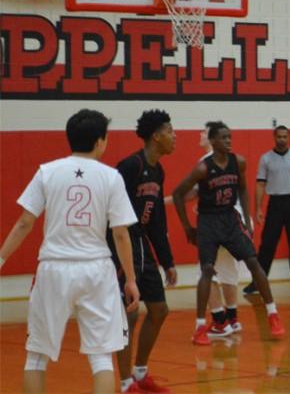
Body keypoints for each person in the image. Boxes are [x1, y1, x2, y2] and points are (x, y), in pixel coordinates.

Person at [0, 109, 139, 394]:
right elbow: (121, 233)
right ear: (101, 140)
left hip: (53, 269)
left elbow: (25, 221)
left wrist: (1, 258)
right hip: (97, 270)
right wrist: (131, 280)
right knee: (101, 357)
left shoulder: (47, 171)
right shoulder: (112, 177)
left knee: (36, 357)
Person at [172, 121, 285, 345]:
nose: (228, 141)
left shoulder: (238, 162)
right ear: (213, 141)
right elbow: (178, 194)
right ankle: (200, 327)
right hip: (208, 222)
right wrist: (187, 227)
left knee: (254, 263)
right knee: (207, 271)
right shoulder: (203, 168)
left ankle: (272, 314)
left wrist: (245, 216)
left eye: (230, 137)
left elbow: (242, 188)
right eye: (224, 138)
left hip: (230, 219)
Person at [111, 110, 178, 393]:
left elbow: (157, 219)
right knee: (130, 312)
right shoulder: (130, 166)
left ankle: (140, 372)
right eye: (171, 132)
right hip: (124, 242)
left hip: (143, 245)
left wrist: (168, 261)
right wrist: (117, 257)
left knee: (160, 309)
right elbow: (111, 214)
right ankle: (126, 383)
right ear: (156, 136)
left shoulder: (158, 171)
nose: (175, 137)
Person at [245, 126, 290, 295]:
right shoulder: (266, 159)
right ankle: (256, 283)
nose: (282, 139)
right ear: (274, 137)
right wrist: (258, 208)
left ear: (288, 138)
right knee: (267, 245)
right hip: (275, 203)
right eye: (279, 137)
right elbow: (260, 184)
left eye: (285, 136)